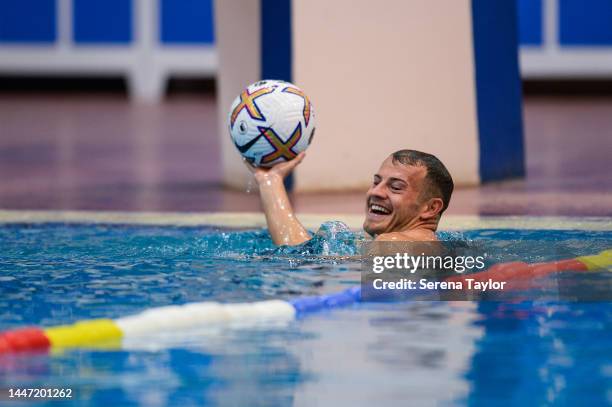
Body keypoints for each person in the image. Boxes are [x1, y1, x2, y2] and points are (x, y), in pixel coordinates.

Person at [244, 149, 454, 246]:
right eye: (376, 181)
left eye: (396, 187)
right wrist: (270, 181)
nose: (376, 192)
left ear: (430, 208)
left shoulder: (391, 244)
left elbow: (302, 258)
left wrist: (271, 183)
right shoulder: (430, 245)